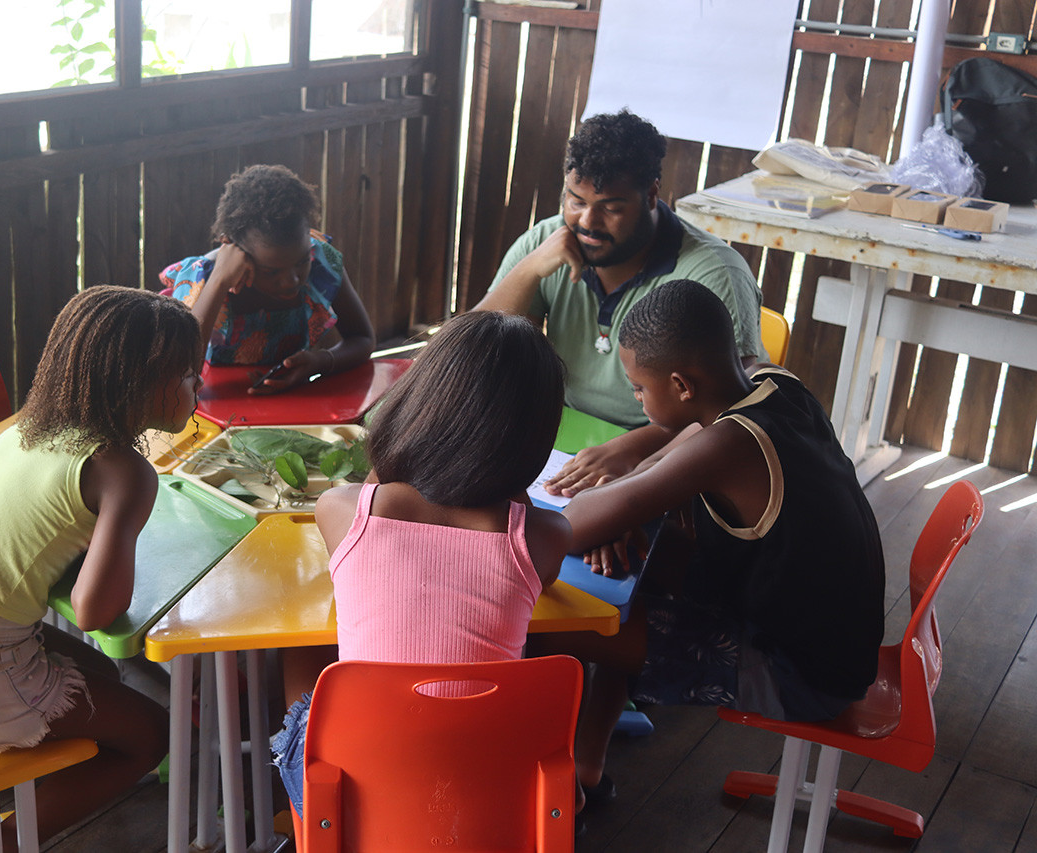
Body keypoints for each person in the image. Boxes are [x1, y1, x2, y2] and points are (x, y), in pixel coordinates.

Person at [533, 279, 884, 810]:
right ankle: (587, 769)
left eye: (639, 389)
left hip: (800, 674)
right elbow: (662, 466)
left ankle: (562, 793)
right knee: (626, 573)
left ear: (681, 385)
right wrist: (631, 505)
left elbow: (575, 523)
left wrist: (622, 508)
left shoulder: (734, 442)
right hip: (829, 640)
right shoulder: (771, 382)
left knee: (560, 631)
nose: (636, 399)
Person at [0, 285, 199, 853]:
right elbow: (94, 612)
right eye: (187, 375)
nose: (196, 386)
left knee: (103, 681)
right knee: (152, 733)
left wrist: (49, 530)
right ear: (139, 386)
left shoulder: (31, 424)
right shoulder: (126, 473)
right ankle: (2, 844)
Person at [270, 311, 573, 816]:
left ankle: (300, 816)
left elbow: (380, 485)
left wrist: (396, 448)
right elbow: (541, 568)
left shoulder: (343, 510)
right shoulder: (544, 536)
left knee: (298, 652)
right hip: (491, 792)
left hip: (354, 796)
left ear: (413, 405)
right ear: (534, 441)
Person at [474, 109, 765, 494]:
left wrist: (633, 448)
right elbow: (473, 351)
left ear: (650, 196)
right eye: (575, 201)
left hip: (668, 449)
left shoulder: (713, 273)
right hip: (563, 437)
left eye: (611, 208)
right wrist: (528, 270)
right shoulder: (547, 242)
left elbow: (738, 406)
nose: (587, 222)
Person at [159, 164, 375, 394]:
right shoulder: (200, 279)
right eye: (271, 272)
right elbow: (178, 374)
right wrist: (219, 282)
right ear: (234, 249)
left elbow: (362, 339)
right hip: (210, 412)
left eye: (302, 262)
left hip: (293, 404)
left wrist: (320, 362)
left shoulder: (322, 263)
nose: (291, 280)